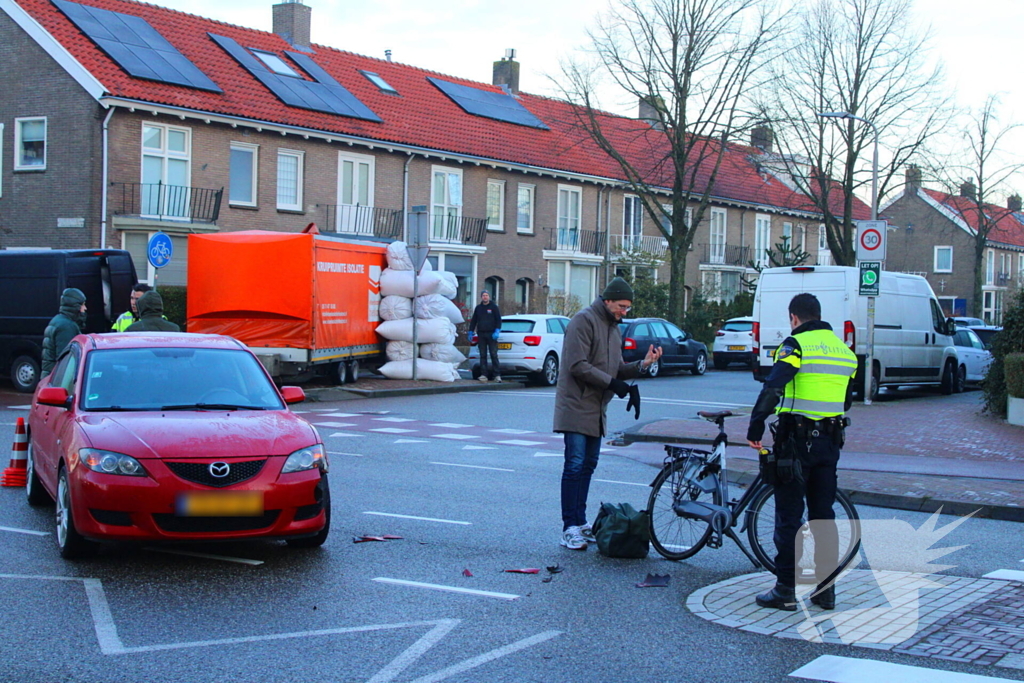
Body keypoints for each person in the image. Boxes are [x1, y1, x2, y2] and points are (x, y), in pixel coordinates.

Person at [747, 293, 857, 612]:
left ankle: (785, 590)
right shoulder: (844, 352)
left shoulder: (796, 346)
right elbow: (846, 401)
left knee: (789, 516)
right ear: (819, 315)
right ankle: (825, 592)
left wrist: (755, 428)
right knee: (823, 516)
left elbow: (774, 386)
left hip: (795, 443)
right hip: (830, 444)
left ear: (794, 318)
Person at [553, 277, 662, 550]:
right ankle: (570, 527)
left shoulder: (613, 328)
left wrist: (643, 364)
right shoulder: (583, 320)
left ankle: (580, 521)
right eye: (621, 306)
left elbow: (616, 368)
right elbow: (577, 365)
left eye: (627, 307)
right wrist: (614, 384)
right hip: (577, 404)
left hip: (597, 407)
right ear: (608, 299)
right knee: (575, 465)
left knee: (588, 466)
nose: (625, 311)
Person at [41, 288, 87, 375]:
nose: (85, 308)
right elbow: (66, 360)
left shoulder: (58, 320)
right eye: (83, 305)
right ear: (75, 306)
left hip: (51, 377)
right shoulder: (67, 326)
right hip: (59, 379)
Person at [469, 290, 502, 383]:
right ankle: (484, 375)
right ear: (481, 297)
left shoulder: (494, 307)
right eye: (483, 295)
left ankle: (497, 375)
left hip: (491, 334)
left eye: (486, 295)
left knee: (493, 354)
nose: (485, 297)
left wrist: (497, 330)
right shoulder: (478, 308)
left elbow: (498, 320)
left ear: (489, 297)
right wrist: (471, 331)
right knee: (482, 355)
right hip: (481, 334)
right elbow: (474, 320)